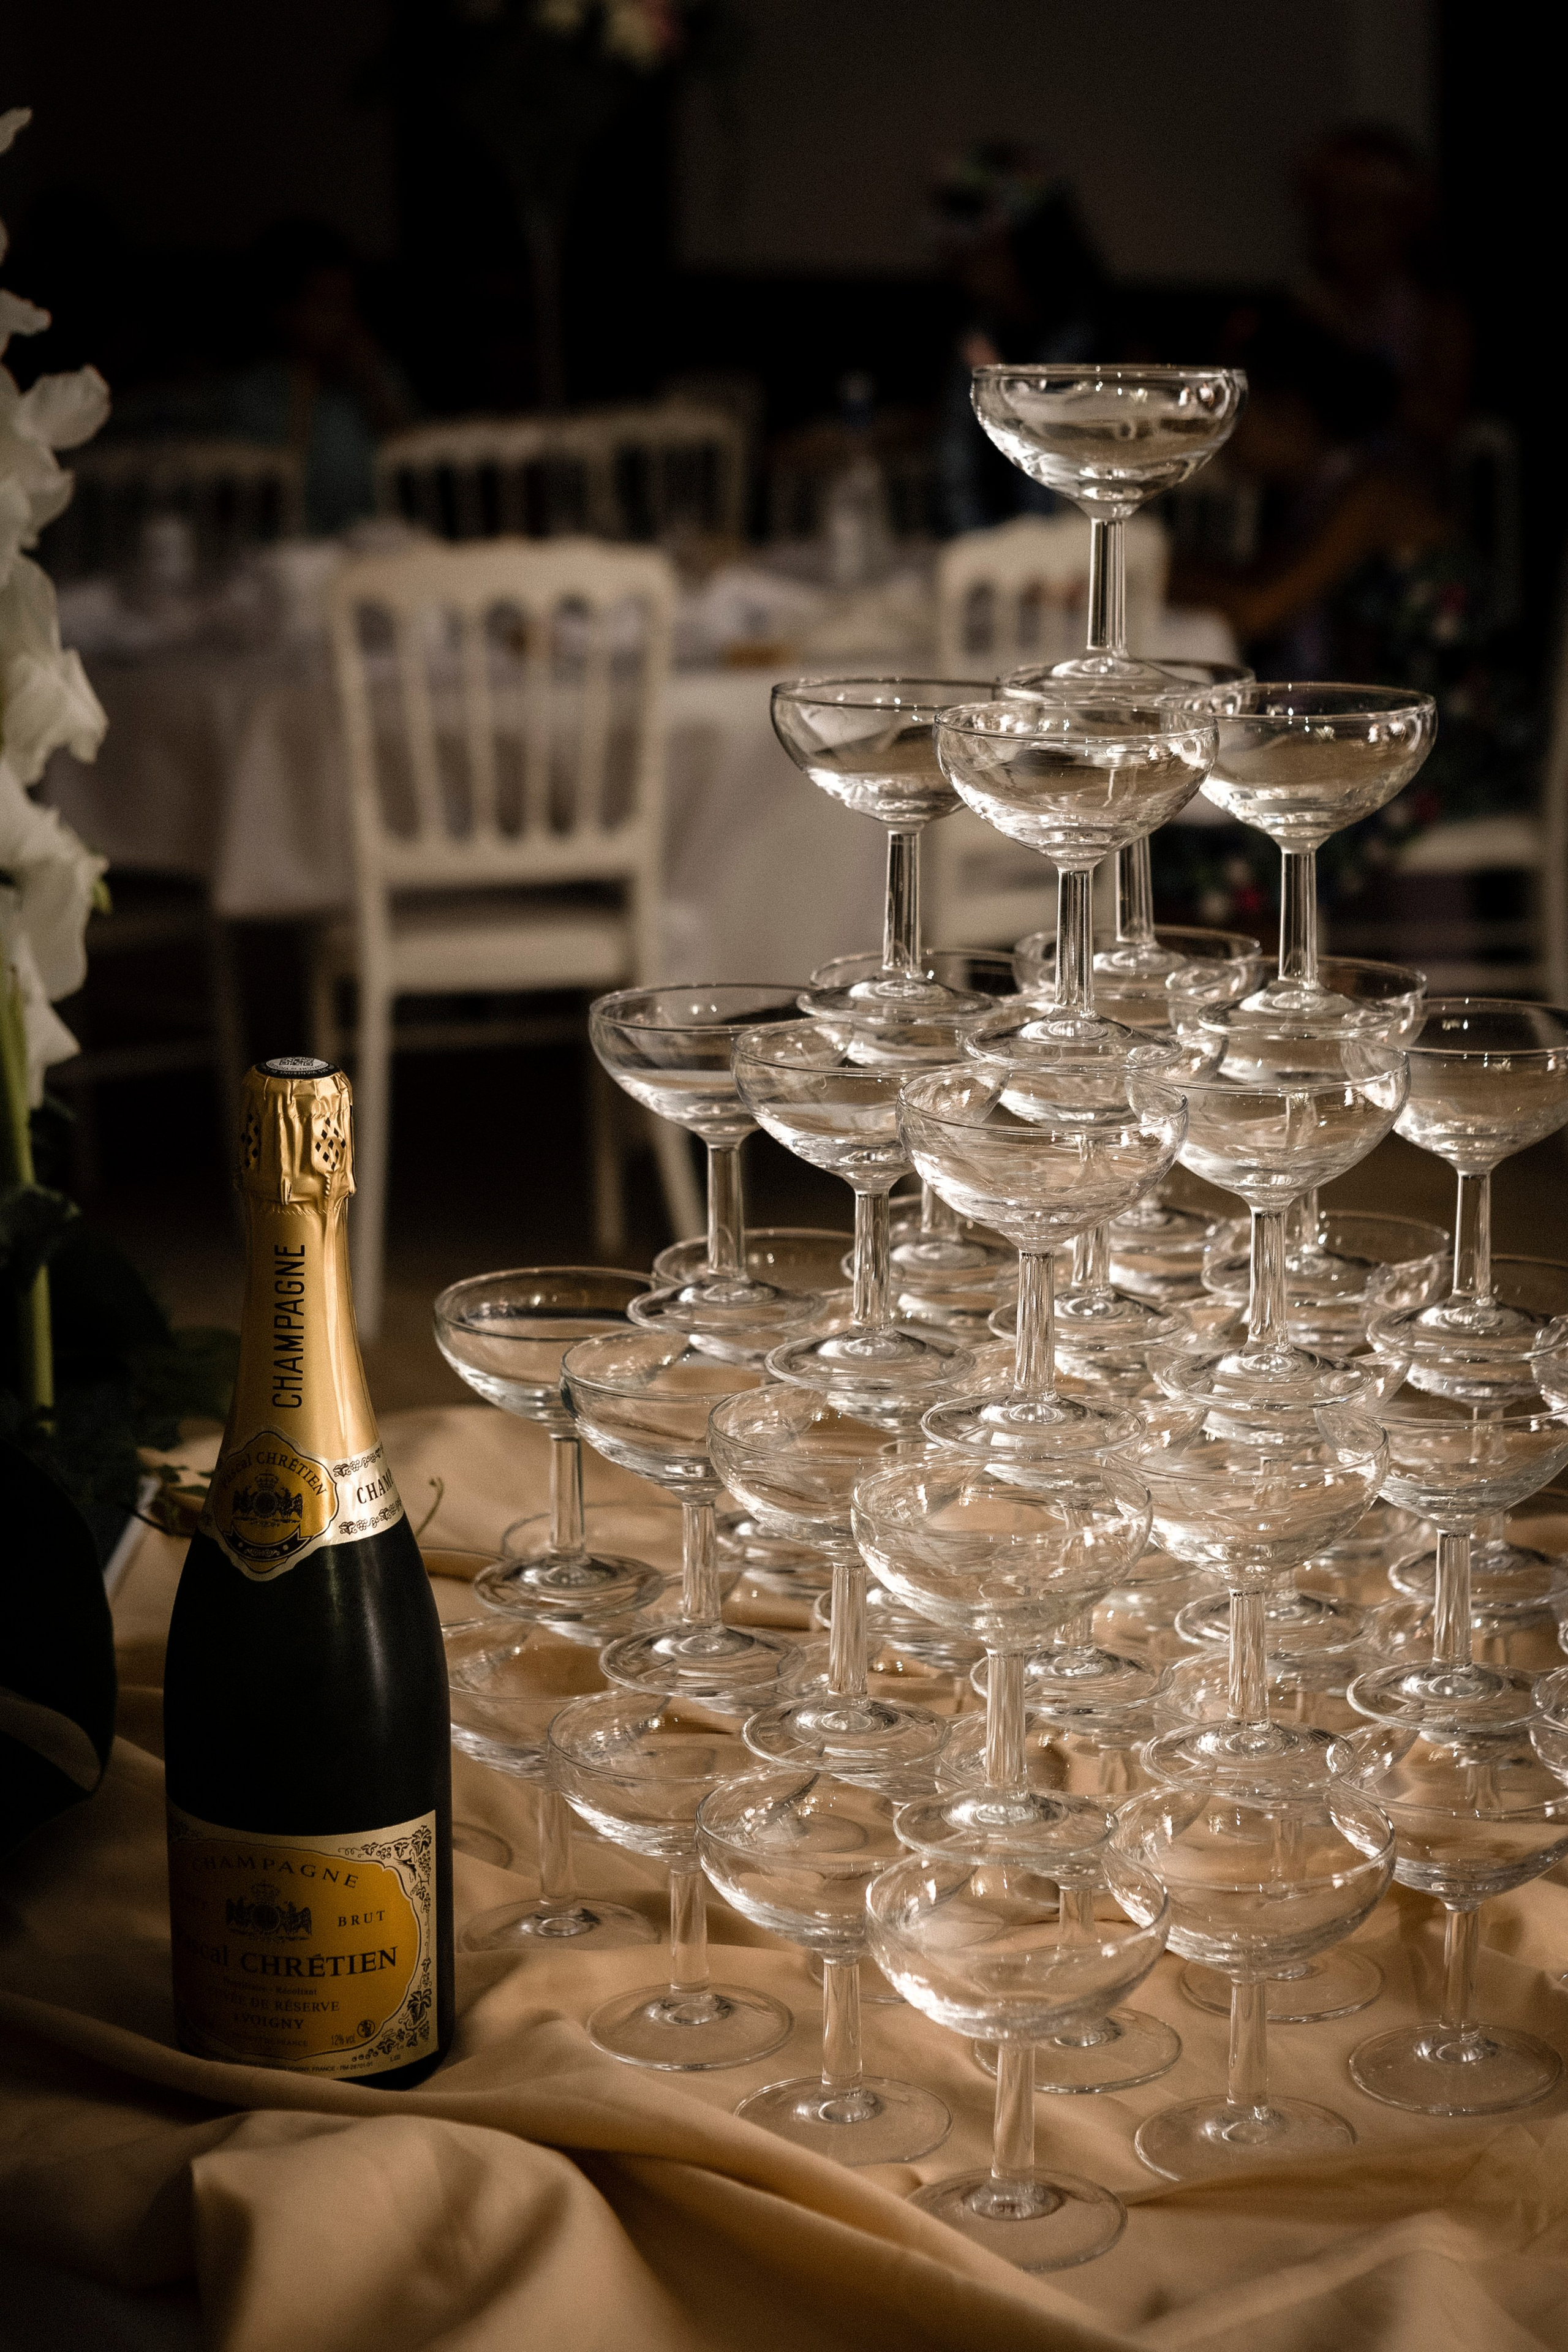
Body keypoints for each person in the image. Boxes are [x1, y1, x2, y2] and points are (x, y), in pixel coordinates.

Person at [1158, 302, 1532, 927]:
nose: (1216, 434)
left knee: (1215, 836)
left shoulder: (1374, 491)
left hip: (1442, 746)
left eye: (1232, 415)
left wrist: (1136, 561)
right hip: (1363, 731)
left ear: (1289, 408)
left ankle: (1256, 965)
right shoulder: (1317, 492)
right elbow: (1251, 585)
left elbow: (1259, 607)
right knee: (1186, 803)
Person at [929, 146, 1112, 536]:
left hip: (1070, 546)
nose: (964, 262)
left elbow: (1061, 482)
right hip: (990, 549)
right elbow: (957, 477)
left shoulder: (1091, 335)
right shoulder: (978, 332)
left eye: (982, 249)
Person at [225, 222, 415, 537]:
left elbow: (419, 462)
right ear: (282, 313)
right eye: (326, 306)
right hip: (287, 547)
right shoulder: (256, 392)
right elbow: (261, 494)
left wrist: (372, 385)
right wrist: (303, 387)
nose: (342, 321)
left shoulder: (376, 375)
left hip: (374, 541)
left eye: (347, 305)